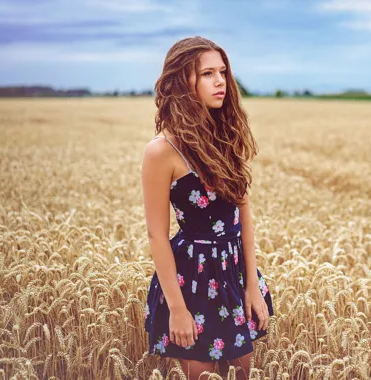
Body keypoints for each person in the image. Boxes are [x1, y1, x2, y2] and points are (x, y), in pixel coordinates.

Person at [141, 36, 274, 380]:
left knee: (242, 374)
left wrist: (252, 286)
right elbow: (157, 234)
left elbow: (244, 218)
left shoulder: (225, 136)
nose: (221, 82)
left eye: (223, 72)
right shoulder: (162, 151)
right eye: (207, 74)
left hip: (234, 273)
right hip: (191, 280)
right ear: (181, 80)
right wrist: (178, 309)